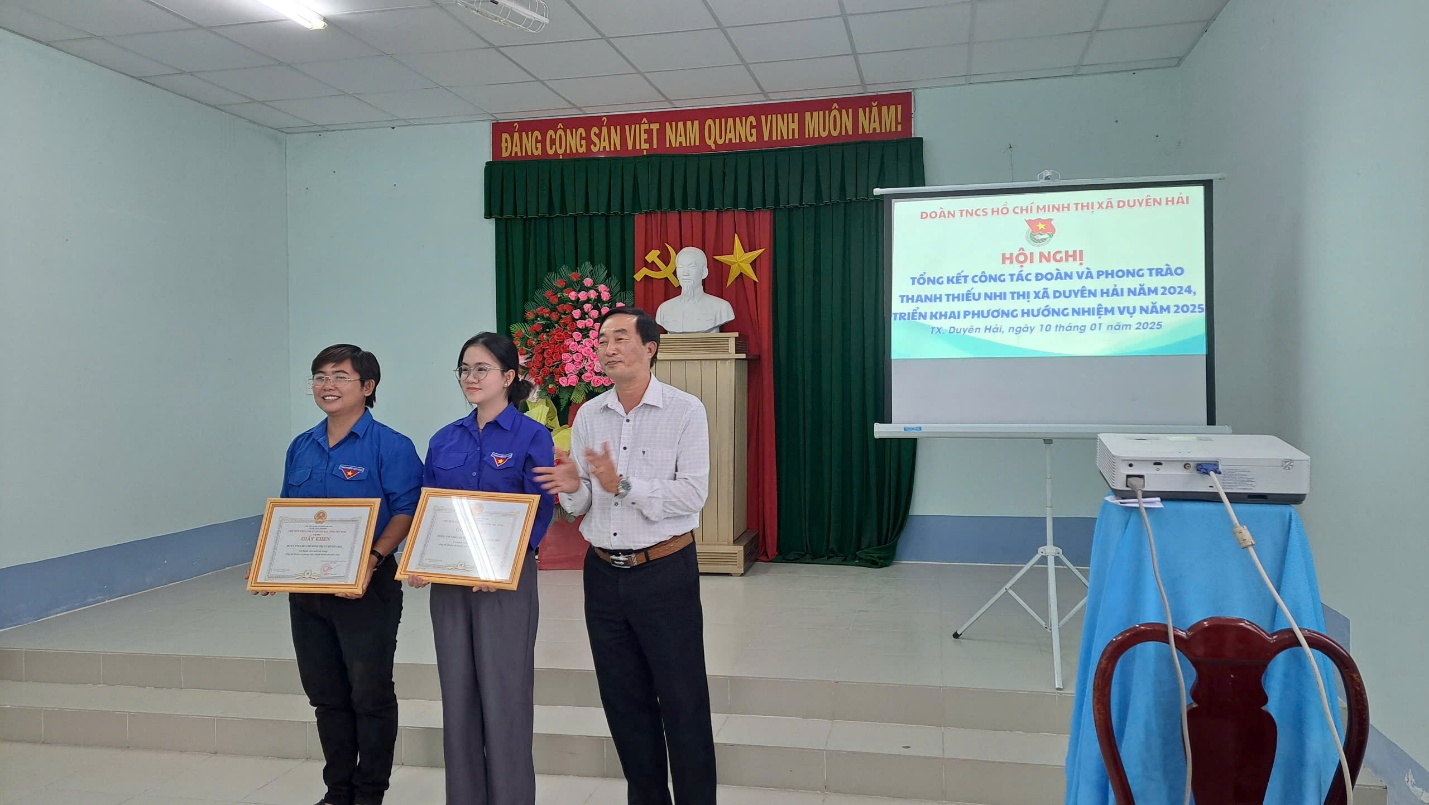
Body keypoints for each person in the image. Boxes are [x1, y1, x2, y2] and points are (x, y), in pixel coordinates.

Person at [534, 307, 715, 805]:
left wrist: (625, 484)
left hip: (664, 572)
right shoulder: (590, 414)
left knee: (683, 703)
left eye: (619, 337)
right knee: (624, 701)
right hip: (604, 577)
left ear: (649, 348)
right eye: (602, 339)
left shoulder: (685, 410)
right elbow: (586, 503)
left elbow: (692, 496)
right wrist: (573, 488)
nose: (608, 347)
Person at [407, 332, 555, 805]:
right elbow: (429, 509)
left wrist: (505, 563)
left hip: (506, 584)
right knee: (458, 695)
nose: (471, 378)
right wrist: (417, 557)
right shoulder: (443, 438)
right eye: (464, 370)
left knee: (506, 694)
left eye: (482, 369)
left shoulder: (533, 436)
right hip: (449, 582)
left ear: (509, 377)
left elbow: (542, 506)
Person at [274, 344, 423, 805]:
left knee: (370, 694)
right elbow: (288, 517)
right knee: (326, 696)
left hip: (368, 588)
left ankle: (369, 793)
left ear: (368, 387)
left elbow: (407, 511)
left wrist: (373, 559)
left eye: (340, 376)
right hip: (308, 592)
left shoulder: (392, 446)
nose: (327, 385)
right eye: (320, 376)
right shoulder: (301, 445)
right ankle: (337, 792)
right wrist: (271, 566)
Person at [654, 246, 735, 333]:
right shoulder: (664, 309)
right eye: (680, 267)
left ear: (704, 272)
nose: (685, 273)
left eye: (691, 267)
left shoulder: (721, 308)